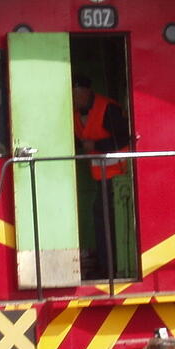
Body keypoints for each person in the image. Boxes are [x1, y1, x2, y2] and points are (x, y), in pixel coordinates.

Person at [72, 74, 130, 278]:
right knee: (101, 218)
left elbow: (124, 138)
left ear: (86, 92)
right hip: (99, 176)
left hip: (119, 177)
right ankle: (106, 266)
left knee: (107, 219)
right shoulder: (76, 114)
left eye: (76, 93)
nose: (73, 97)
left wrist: (95, 146)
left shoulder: (108, 108)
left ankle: (110, 267)